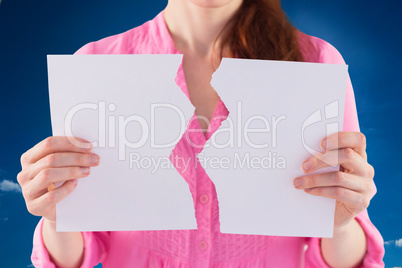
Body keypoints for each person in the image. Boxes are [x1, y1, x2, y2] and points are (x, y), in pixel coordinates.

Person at [18, 0, 385, 267]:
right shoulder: (96, 66)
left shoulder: (315, 62)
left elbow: (344, 259)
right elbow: (80, 251)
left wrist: (341, 220)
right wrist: (56, 213)